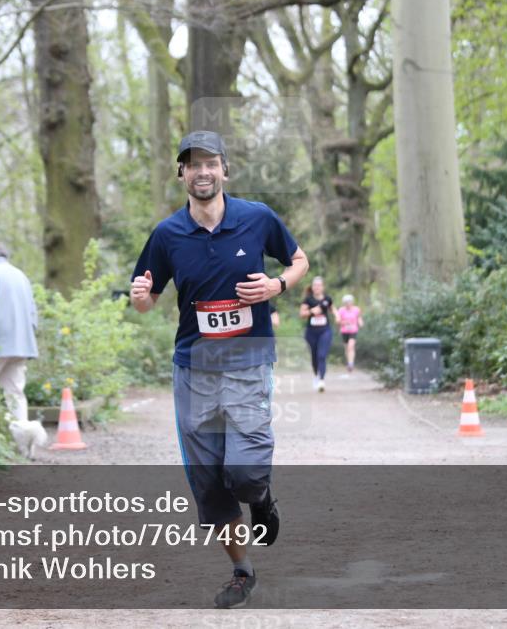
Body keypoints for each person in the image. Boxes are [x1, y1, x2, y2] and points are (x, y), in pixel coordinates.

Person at [129, 130, 309, 609]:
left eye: (211, 163)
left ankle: (262, 499)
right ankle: (241, 570)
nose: (202, 172)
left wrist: (277, 287)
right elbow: (148, 300)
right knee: (208, 481)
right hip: (194, 368)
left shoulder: (256, 218)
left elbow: (298, 260)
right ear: (182, 174)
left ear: (225, 170)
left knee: (246, 472)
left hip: (248, 361)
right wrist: (142, 299)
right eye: (193, 164)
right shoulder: (167, 235)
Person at [0, 241, 39, 422]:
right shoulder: (19, 274)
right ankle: (22, 437)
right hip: (22, 344)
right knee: (15, 392)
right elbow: (33, 311)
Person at [300, 276, 334, 392]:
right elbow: (302, 314)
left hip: (325, 330)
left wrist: (339, 317)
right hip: (311, 332)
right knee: (314, 356)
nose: (317, 287)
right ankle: (316, 375)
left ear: (323, 287)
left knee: (322, 355)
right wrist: (311, 311)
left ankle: (322, 380)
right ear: (312, 287)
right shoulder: (308, 300)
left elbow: (333, 310)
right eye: (315, 285)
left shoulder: (327, 299)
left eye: (319, 285)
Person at [336, 294, 364, 373]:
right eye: (346, 302)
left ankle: (351, 363)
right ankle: (349, 362)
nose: (348, 303)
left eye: (349, 302)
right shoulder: (341, 310)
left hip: (353, 331)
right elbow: (338, 321)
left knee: (350, 346)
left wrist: (361, 323)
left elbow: (359, 317)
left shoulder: (356, 309)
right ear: (344, 303)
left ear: (352, 302)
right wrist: (344, 322)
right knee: (346, 348)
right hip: (344, 331)